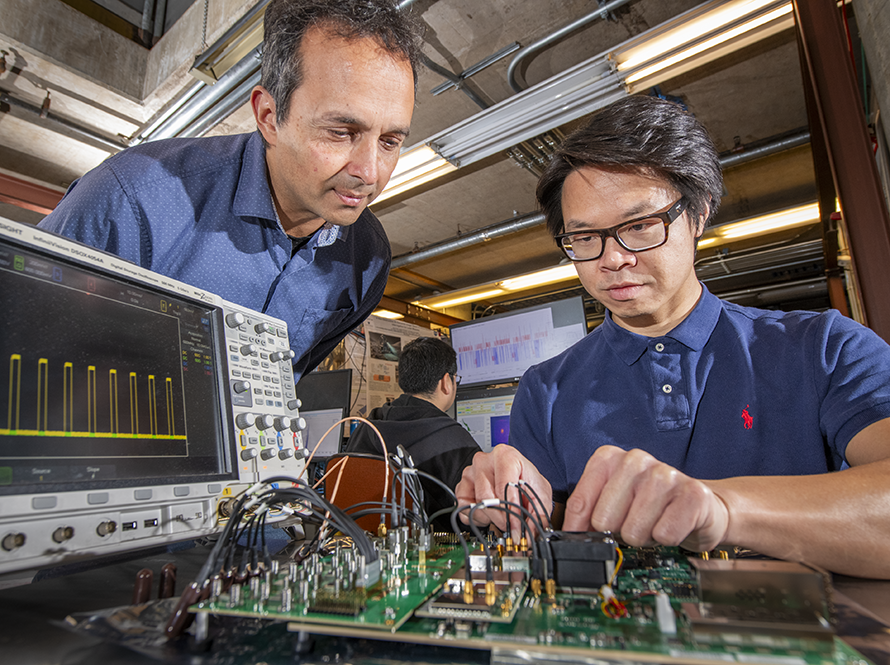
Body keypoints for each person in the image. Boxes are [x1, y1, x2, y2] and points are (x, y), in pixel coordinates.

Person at [455, 95, 890, 579]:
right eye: (584, 238)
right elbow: (555, 540)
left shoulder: (826, 348)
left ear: (699, 212)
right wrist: (526, 511)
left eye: (640, 226)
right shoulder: (545, 389)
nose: (612, 258)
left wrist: (719, 510)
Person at [37, 0, 422, 381]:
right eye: (340, 132)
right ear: (269, 117)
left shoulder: (368, 259)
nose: (370, 172)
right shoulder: (131, 199)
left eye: (390, 141)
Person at [347, 336, 482, 529]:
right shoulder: (454, 440)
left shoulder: (366, 427)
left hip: (360, 550)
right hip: (434, 555)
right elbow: (476, 519)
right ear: (446, 382)